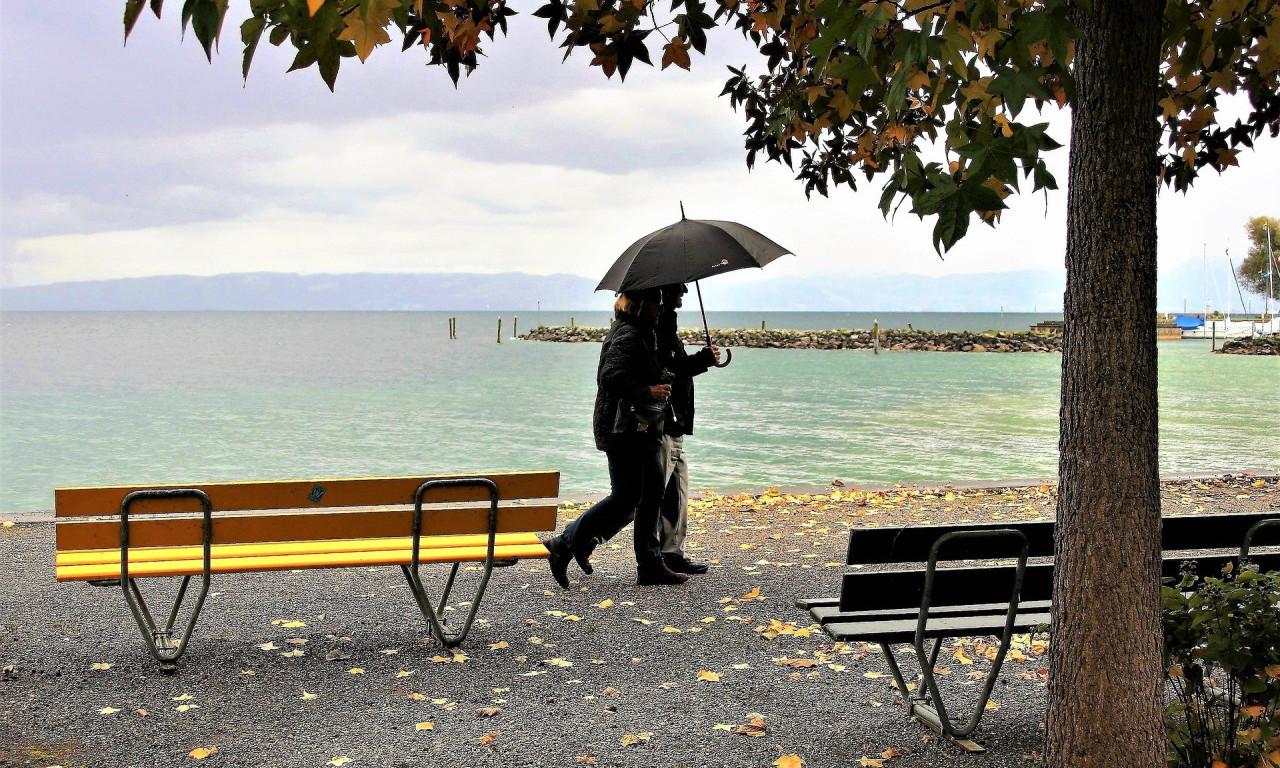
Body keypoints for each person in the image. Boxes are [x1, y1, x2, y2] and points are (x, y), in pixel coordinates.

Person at [543, 287, 690, 588]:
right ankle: (565, 543)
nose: (659, 308)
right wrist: (646, 391)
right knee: (629, 496)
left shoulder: (641, 331)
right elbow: (610, 376)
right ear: (639, 305)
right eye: (655, 303)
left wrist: (680, 369)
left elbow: (658, 366)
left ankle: (647, 564)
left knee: (647, 494)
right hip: (624, 429)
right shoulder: (629, 334)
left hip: (638, 428)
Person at [655, 283, 719, 574]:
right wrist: (702, 360)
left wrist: (700, 360)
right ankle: (574, 541)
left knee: (676, 492)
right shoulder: (659, 326)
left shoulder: (666, 325)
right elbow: (668, 370)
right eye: (678, 289)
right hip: (667, 421)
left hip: (675, 421)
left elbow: (674, 365)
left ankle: (672, 551)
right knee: (652, 496)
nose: (684, 293)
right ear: (665, 293)